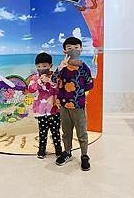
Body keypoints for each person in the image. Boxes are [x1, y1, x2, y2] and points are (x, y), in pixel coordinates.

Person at [54, 36, 94, 171]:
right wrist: (60, 67)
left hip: (78, 106)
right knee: (66, 131)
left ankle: (84, 155)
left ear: (81, 49)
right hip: (63, 105)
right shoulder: (62, 67)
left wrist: (78, 93)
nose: (73, 50)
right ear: (64, 51)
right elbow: (53, 80)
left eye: (76, 48)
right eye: (70, 48)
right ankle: (67, 152)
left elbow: (90, 85)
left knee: (81, 131)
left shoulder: (84, 68)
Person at [27, 52, 62, 159]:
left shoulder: (55, 76)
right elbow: (30, 89)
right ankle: (42, 149)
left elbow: (60, 88)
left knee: (55, 131)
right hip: (41, 110)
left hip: (54, 109)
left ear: (50, 65)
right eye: (38, 66)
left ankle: (58, 149)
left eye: (44, 66)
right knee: (42, 131)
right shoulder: (34, 78)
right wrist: (39, 81)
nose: (41, 68)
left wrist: (50, 81)